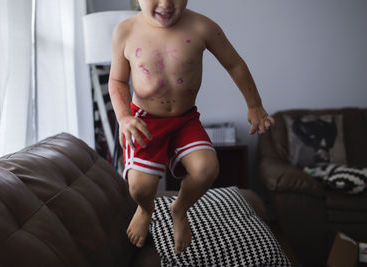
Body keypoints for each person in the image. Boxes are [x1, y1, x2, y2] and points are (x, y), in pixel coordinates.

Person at [108, 0, 275, 254]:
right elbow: (117, 80)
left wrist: (255, 105)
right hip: (143, 121)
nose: (166, 3)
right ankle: (146, 208)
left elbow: (235, 64)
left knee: (207, 169)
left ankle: (179, 209)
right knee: (140, 188)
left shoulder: (202, 26)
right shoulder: (125, 31)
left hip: (185, 119)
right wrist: (123, 117)